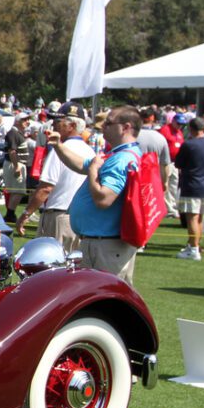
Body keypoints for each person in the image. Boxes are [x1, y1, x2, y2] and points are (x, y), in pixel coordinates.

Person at [52, 105, 142, 286]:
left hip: (106, 246)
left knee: (106, 299)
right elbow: (80, 164)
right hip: (102, 244)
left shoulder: (121, 159)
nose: (102, 127)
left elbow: (104, 199)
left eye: (109, 123)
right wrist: (58, 145)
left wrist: (93, 171)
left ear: (125, 127)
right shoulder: (117, 155)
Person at [17, 112, 89, 250]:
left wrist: (26, 214)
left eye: (60, 121)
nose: (55, 125)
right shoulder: (89, 151)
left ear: (72, 126)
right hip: (81, 218)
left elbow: (46, 188)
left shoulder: (59, 150)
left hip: (59, 216)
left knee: (51, 265)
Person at [174, 117, 204, 260]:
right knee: (200, 219)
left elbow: (178, 163)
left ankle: (193, 249)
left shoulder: (188, 145)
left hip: (192, 185)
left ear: (191, 129)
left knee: (192, 218)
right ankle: (194, 246)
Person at [3, 113, 31, 222]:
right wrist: (17, 166)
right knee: (18, 191)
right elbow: (12, 151)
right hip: (14, 164)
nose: (27, 122)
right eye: (25, 120)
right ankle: (10, 214)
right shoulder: (13, 133)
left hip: (17, 163)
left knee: (17, 191)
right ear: (18, 121)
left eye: (28, 119)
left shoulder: (16, 133)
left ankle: (10, 214)